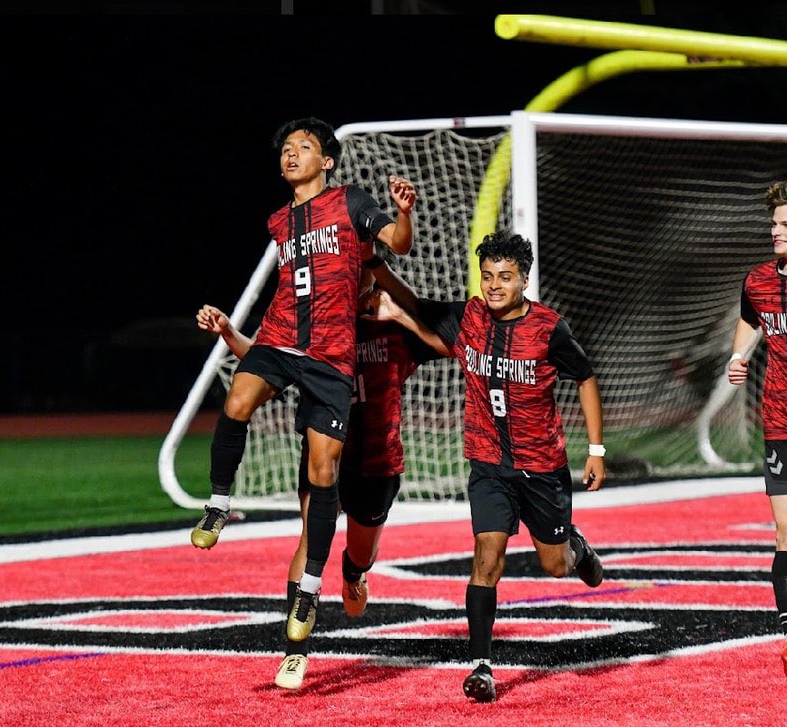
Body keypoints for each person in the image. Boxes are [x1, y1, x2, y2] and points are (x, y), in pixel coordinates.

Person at [190, 117, 417, 647]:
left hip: (330, 356)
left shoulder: (351, 202)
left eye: (305, 147)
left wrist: (403, 212)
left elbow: (397, 244)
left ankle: (311, 588)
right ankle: (219, 503)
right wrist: (231, 330)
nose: (292, 155)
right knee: (237, 399)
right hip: (279, 337)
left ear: (328, 160)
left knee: (322, 470)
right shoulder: (278, 221)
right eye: (286, 148)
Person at [367, 230, 606, 703]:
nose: (494, 284)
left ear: (524, 281)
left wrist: (596, 450)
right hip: (488, 464)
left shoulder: (548, 328)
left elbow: (585, 376)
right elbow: (417, 305)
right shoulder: (470, 315)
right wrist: (375, 266)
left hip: (541, 467)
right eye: (488, 275)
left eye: (505, 277)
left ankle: (575, 545)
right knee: (486, 558)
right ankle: (481, 667)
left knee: (555, 566)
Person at [196, 258, 444, 690]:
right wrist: (229, 333)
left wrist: (399, 310)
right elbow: (266, 362)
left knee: (361, 554)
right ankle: (295, 651)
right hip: (323, 456)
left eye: (359, 270)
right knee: (309, 540)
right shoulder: (313, 328)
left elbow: (446, 343)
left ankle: (353, 573)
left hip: (377, 463)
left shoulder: (390, 326)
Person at [727, 177, 787, 683]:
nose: (775, 231)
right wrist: (738, 356)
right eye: (773, 223)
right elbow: (752, 317)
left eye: (785, 224)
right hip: (783, 424)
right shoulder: (759, 279)